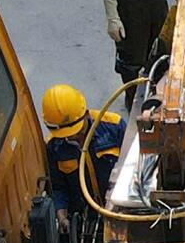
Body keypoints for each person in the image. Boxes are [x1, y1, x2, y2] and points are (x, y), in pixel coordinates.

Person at [41, 83, 126, 214]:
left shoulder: (114, 126)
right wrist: (61, 211)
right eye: (66, 135)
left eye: (76, 131)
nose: (72, 137)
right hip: (83, 212)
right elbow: (58, 187)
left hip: (119, 206)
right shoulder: (54, 146)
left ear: (86, 114)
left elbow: (134, 167)